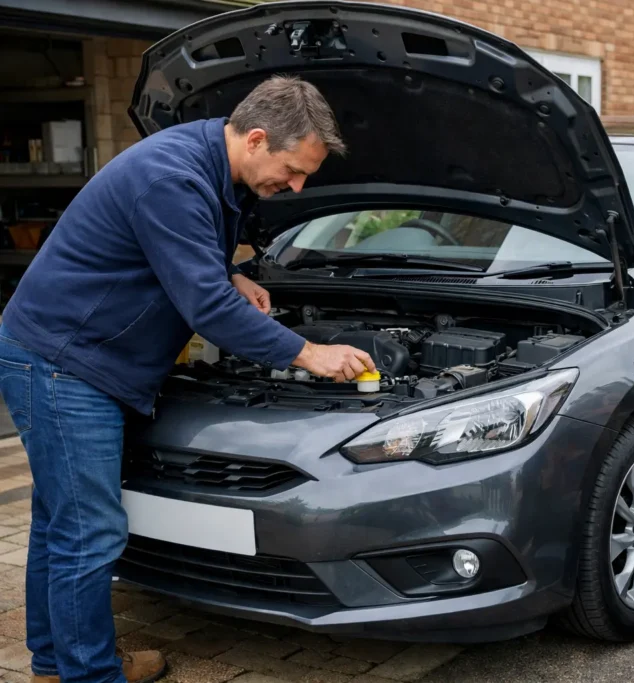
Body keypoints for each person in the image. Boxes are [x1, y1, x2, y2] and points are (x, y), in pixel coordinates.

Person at [0, 75, 376, 683]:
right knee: (89, 532)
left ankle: (55, 663)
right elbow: (205, 308)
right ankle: (90, 675)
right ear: (256, 138)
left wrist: (235, 277)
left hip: (79, 353)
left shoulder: (211, 167)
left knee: (58, 522)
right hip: (62, 361)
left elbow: (189, 263)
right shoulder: (172, 178)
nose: (299, 186)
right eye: (294, 170)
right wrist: (309, 353)